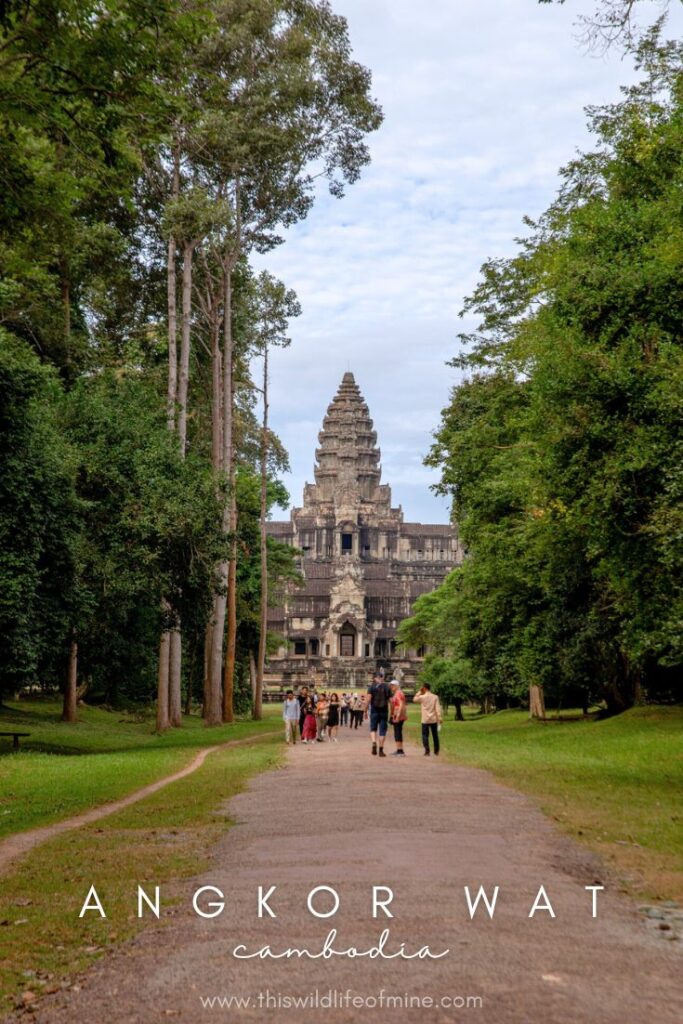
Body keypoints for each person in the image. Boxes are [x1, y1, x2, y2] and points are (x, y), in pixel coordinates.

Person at [366, 671, 392, 757]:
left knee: (373, 729)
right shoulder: (387, 687)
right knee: (382, 731)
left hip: (374, 710)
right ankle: (381, 749)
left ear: (375, 678)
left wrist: (365, 710)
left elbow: (368, 699)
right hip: (384, 711)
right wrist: (392, 712)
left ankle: (374, 742)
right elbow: (391, 701)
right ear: (382, 677)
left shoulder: (372, 687)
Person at [413, 682, 443, 755]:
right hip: (433, 719)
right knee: (435, 735)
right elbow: (437, 708)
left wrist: (419, 692)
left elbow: (414, 699)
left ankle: (427, 750)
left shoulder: (422, 697)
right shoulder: (435, 697)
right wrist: (439, 717)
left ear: (424, 688)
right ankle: (436, 751)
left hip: (425, 719)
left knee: (425, 736)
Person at [389, 678, 407, 756]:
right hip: (397, 715)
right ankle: (399, 749)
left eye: (392, 686)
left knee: (397, 732)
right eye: (391, 686)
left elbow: (401, 704)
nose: (391, 687)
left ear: (396, 686)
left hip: (398, 716)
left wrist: (398, 716)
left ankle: (400, 750)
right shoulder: (397, 693)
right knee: (397, 732)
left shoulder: (399, 693)